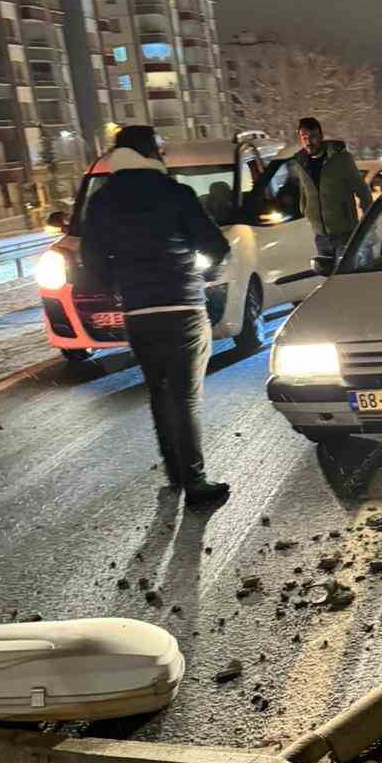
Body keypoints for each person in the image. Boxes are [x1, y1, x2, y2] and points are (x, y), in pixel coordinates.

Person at [82, 126, 232, 506]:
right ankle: (196, 483)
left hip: (140, 313)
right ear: (152, 153)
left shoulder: (103, 200)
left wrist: (120, 285)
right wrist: (206, 275)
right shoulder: (175, 193)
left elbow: (92, 260)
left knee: (160, 393)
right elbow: (215, 245)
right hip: (183, 306)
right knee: (185, 397)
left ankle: (176, 475)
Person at [287, 117, 372, 267]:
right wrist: (305, 210)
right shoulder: (301, 163)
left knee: (346, 276)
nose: (308, 142)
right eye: (304, 138)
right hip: (320, 236)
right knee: (329, 280)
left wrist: (368, 222)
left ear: (321, 136)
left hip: (344, 232)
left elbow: (362, 190)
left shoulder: (341, 159)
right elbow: (304, 190)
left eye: (312, 136)